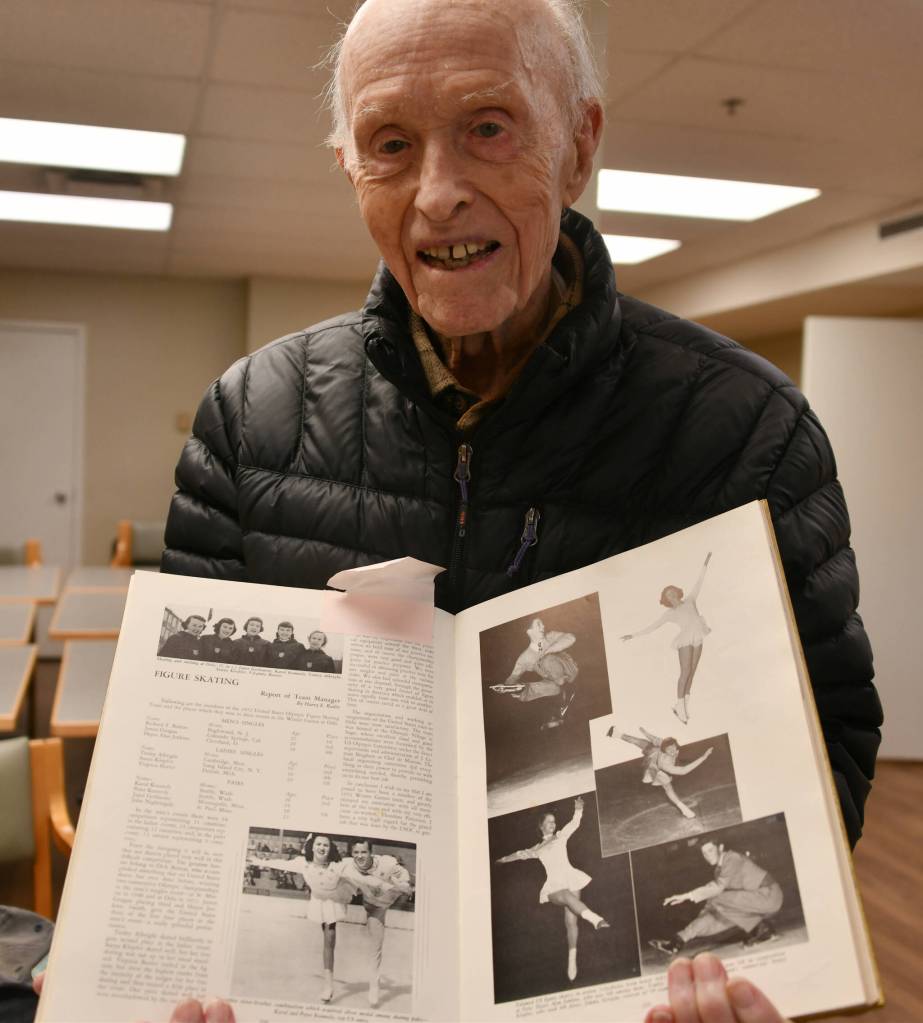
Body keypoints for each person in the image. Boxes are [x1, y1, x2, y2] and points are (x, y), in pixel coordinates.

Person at [158, 0, 881, 1018]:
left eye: (488, 128)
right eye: (389, 145)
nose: (438, 194)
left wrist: (740, 967)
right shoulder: (248, 419)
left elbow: (828, 739)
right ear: (346, 165)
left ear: (576, 144)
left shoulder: (743, 430)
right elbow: (186, 743)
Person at [496, 796, 608, 984]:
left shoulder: (560, 836)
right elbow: (517, 855)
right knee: (564, 895)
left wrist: (578, 809)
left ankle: (572, 960)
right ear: (541, 826)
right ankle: (596, 920)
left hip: (571, 878)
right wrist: (501, 860)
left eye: (554, 821)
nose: (552, 824)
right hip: (554, 886)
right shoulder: (537, 848)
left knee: (570, 921)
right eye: (548, 822)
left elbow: (574, 824)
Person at [249, 834, 358, 1004]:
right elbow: (280, 863)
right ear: (312, 847)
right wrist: (258, 861)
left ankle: (328, 986)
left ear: (330, 848)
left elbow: (360, 863)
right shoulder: (303, 863)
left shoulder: (338, 865)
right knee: (327, 939)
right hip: (319, 898)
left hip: (334, 898)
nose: (322, 848)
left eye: (326, 845)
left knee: (329, 939)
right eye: (319, 844)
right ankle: (328, 984)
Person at [650, 841, 784, 959]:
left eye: (710, 850)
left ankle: (760, 928)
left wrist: (686, 896)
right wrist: (682, 937)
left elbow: (717, 889)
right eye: (704, 853)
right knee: (715, 917)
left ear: (720, 847)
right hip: (752, 903)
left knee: (716, 898)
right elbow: (713, 903)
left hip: (769, 895)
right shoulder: (719, 871)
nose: (708, 856)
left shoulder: (732, 858)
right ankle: (675, 944)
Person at [622, 553, 712, 724]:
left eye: (673, 592)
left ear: (678, 593)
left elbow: (699, 582)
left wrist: (705, 564)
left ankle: (685, 704)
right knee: (685, 672)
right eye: (668, 595)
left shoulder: (690, 599)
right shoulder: (669, 613)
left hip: (699, 636)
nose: (671, 596)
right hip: (685, 639)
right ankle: (679, 705)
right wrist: (633, 635)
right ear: (666, 600)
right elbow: (652, 626)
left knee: (692, 672)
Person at [340, 838, 413, 1007]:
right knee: (375, 947)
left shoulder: (386, 863)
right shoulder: (348, 865)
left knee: (400, 887)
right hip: (374, 908)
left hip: (391, 895)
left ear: (370, 852)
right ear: (352, 854)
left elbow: (404, 877)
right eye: (356, 852)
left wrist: (403, 885)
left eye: (363, 852)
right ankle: (375, 985)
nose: (360, 856)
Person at [608, 724, 713, 819]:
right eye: (669, 749)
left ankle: (616, 734)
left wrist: (646, 733)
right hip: (656, 767)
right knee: (668, 787)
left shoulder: (665, 744)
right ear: (664, 750)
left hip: (654, 753)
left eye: (673, 747)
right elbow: (683, 771)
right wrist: (704, 757)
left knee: (641, 742)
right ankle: (684, 810)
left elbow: (655, 739)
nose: (672, 750)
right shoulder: (665, 764)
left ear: (675, 745)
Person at [491, 618, 578, 726]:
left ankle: (561, 687)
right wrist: (505, 687)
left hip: (569, 671)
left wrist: (550, 650)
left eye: (542, 624)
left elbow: (571, 638)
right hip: (554, 683)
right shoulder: (525, 658)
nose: (543, 627)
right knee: (546, 687)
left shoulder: (550, 637)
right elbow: (513, 676)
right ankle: (523, 690)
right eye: (539, 624)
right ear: (529, 631)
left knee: (546, 660)